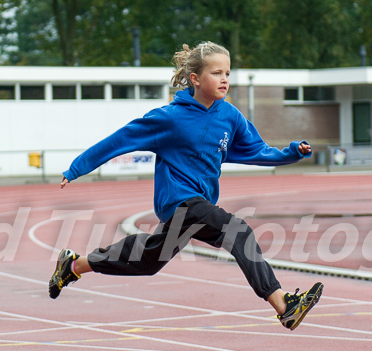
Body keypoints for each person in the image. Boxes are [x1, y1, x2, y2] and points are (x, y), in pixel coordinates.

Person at [49, 41, 323, 331]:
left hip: (199, 205)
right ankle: (283, 304)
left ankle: (74, 266)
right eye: (217, 73)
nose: (225, 80)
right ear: (195, 79)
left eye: (227, 73)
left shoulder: (229, 116)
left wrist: (291, 152)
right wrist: (77, 167)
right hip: (179, 201)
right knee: (238, 231)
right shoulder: (169, 119)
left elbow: (256, 149)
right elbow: (119, 140)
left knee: (148, 261)